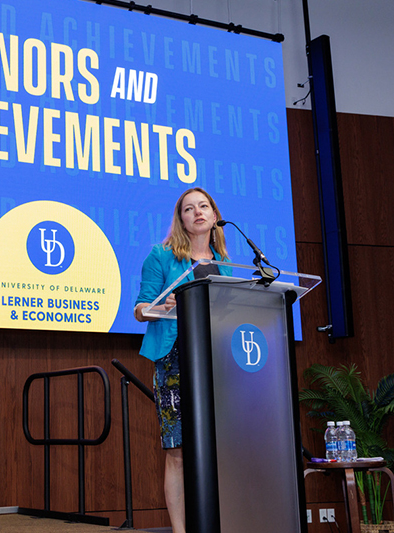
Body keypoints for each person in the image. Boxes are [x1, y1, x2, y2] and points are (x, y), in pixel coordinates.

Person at [133, 187, 231, 533]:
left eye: (204, 206)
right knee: (177, 450)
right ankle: (180, 531)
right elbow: (140, 310)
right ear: (181, 219)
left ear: (215, 216)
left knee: (217, 445)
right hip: (174, 358)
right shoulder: (161, 256)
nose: (198, 212)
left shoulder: (223, 264)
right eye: (189, 209)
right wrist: (164, 306)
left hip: (215, 358)